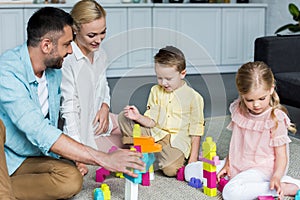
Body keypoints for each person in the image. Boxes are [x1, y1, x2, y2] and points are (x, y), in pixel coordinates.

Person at [0, 7, 144, 200]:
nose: (70, 50)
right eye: (67, 44)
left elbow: (51, 128)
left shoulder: (53, 71)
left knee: (71, 179)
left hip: (29, 154)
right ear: (46, 45)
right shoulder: (7, 71)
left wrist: (75, 155)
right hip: (6, 153)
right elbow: (38, 129)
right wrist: (104, 158)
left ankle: (5, 187)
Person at [216, 61, 299, 199]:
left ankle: (282, 187)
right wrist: (227, 164)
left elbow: (282, 156)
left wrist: (277, 176)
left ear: (271, 89)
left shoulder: (276, 118)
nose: (256, 104)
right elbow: (236, 142)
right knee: (192, 171)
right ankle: (249, 184)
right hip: (239, 162)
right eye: (249, 100)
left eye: (262, 98)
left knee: (230, 193)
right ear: (242, 94)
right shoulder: (238, 109)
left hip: (263, 169)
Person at [118, 46, 205, 177]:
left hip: (175, 141)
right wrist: (137, 117)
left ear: (182, 74)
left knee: (170, 169)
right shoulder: (155, 91)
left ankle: (149, 155)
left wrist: (193, 159)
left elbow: (196, 132)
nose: (163, 83)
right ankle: (143, 151)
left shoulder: (194, 97)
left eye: (168, 79)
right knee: (123, 117)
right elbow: (152, 121)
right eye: (159, 78)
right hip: (154, 133)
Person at [60, 0, 123, 175]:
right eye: (92, 35)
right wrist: (77, 152)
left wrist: (105, 106)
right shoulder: (68, 60)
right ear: (75, 29)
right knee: (125, 147)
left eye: (103, 33)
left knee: (137, 126)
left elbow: (104, 86)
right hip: (83, 131)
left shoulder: (101, 54)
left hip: (100, 118)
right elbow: (69, 109)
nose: (98, 40)